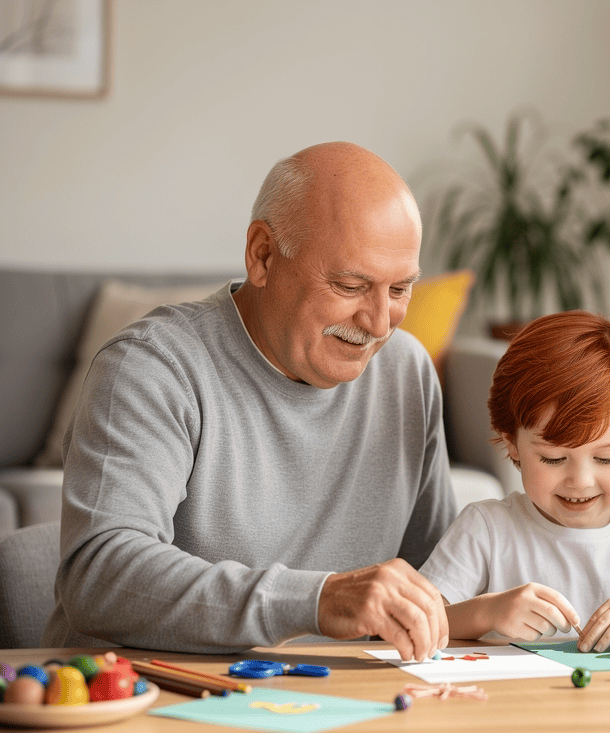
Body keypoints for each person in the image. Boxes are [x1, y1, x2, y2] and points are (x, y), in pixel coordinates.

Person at [43, 142, 455, 660]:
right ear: (262, 255)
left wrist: (488, 604)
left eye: (400, 290)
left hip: (331, 702)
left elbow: (433, 579)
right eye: (351, 285)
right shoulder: (151, 368)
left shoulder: (407, 373)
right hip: (145, 701)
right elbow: (100, 575)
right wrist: (316, 600)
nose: (377, 324)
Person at [419, 310, 610, 652]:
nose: (580, 481)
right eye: (553, 458)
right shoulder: (486, 529)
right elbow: (416, 620)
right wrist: (488, 613)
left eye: (606, 458)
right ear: (512, 445)